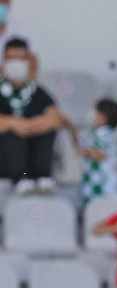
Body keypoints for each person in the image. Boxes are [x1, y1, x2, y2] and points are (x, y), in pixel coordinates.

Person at [0, 37, 57, 193]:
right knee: (11, 132)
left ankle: (43, 177)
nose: (15, 64)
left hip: (34, 157)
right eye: (11, 59)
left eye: (20, 59)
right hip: (7, 161)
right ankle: (20, 179)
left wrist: (33, 125)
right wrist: (13, 123)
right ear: (3, 62)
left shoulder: (37, 91)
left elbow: (54, 117)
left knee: (47, 129)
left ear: (28, 61)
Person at [79, 97, 117, 204]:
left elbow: (100, 154)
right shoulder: (95, 134)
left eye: (95, 111)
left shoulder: (105, 135)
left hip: (102, 188)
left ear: (103, 117)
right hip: (93, 186)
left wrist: (86, 152)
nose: (91, 114)